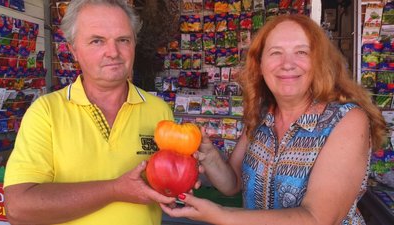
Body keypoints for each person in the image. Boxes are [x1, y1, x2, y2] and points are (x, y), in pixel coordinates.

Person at [161, 14, 387, 225]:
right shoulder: (261, 115)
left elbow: (317, 218)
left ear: (319, 62)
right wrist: (209, 156)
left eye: (302, 52)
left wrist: (222, 214)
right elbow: (233, 183)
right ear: (260, 65)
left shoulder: (346, 120)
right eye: (276, 52)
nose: (287, 64)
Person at [3, 1, 175, 225]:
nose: (113, 52)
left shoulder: (159, 110)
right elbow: (18, 208)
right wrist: (114, 190)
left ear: (134, 44)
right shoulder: (46, 112)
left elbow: (169, 185)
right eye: (97, 41)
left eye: (123, 40)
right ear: (73, 49)